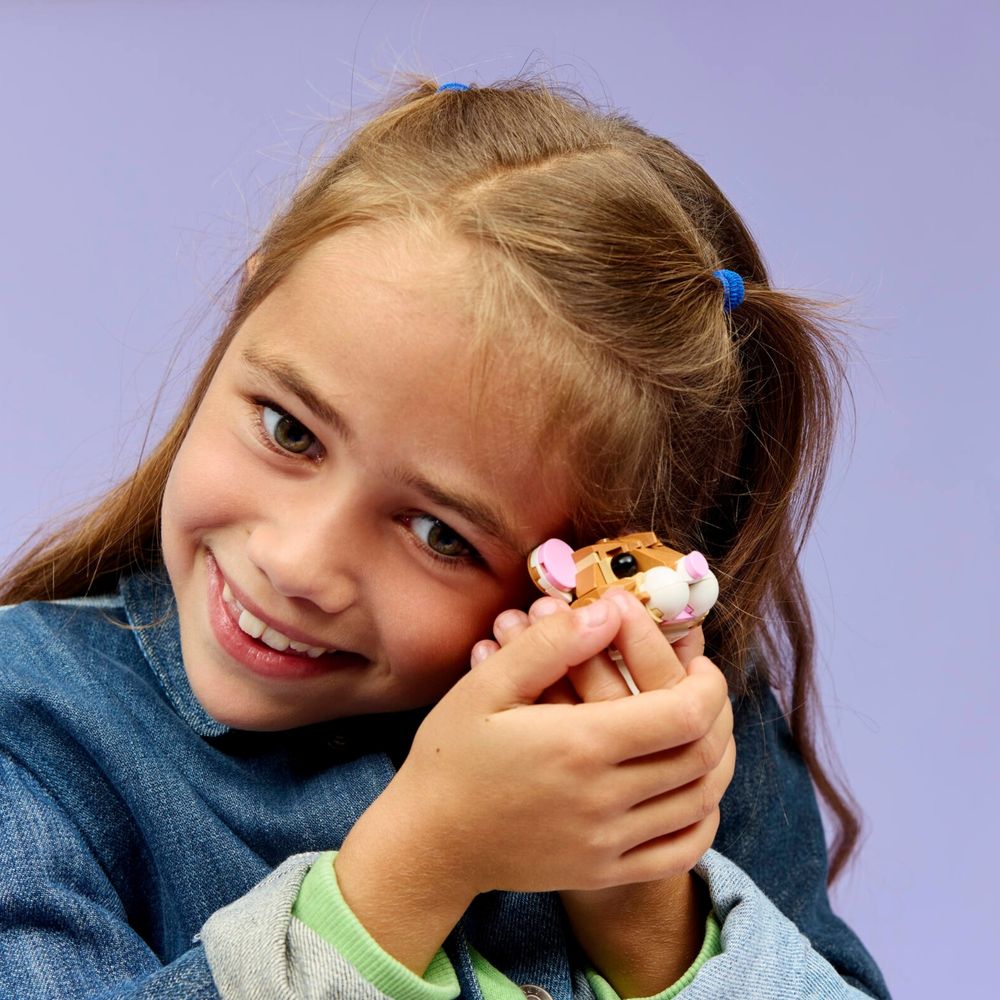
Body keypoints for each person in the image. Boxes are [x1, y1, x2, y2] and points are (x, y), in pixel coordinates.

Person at [0, 78, 890, 999]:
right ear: (248, 305)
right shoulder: (29, 730)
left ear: (590, 575)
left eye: (438, 534)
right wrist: (419, 859)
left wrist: (646, 915)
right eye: (290, 430)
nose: (297, 564)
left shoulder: (675, 739)